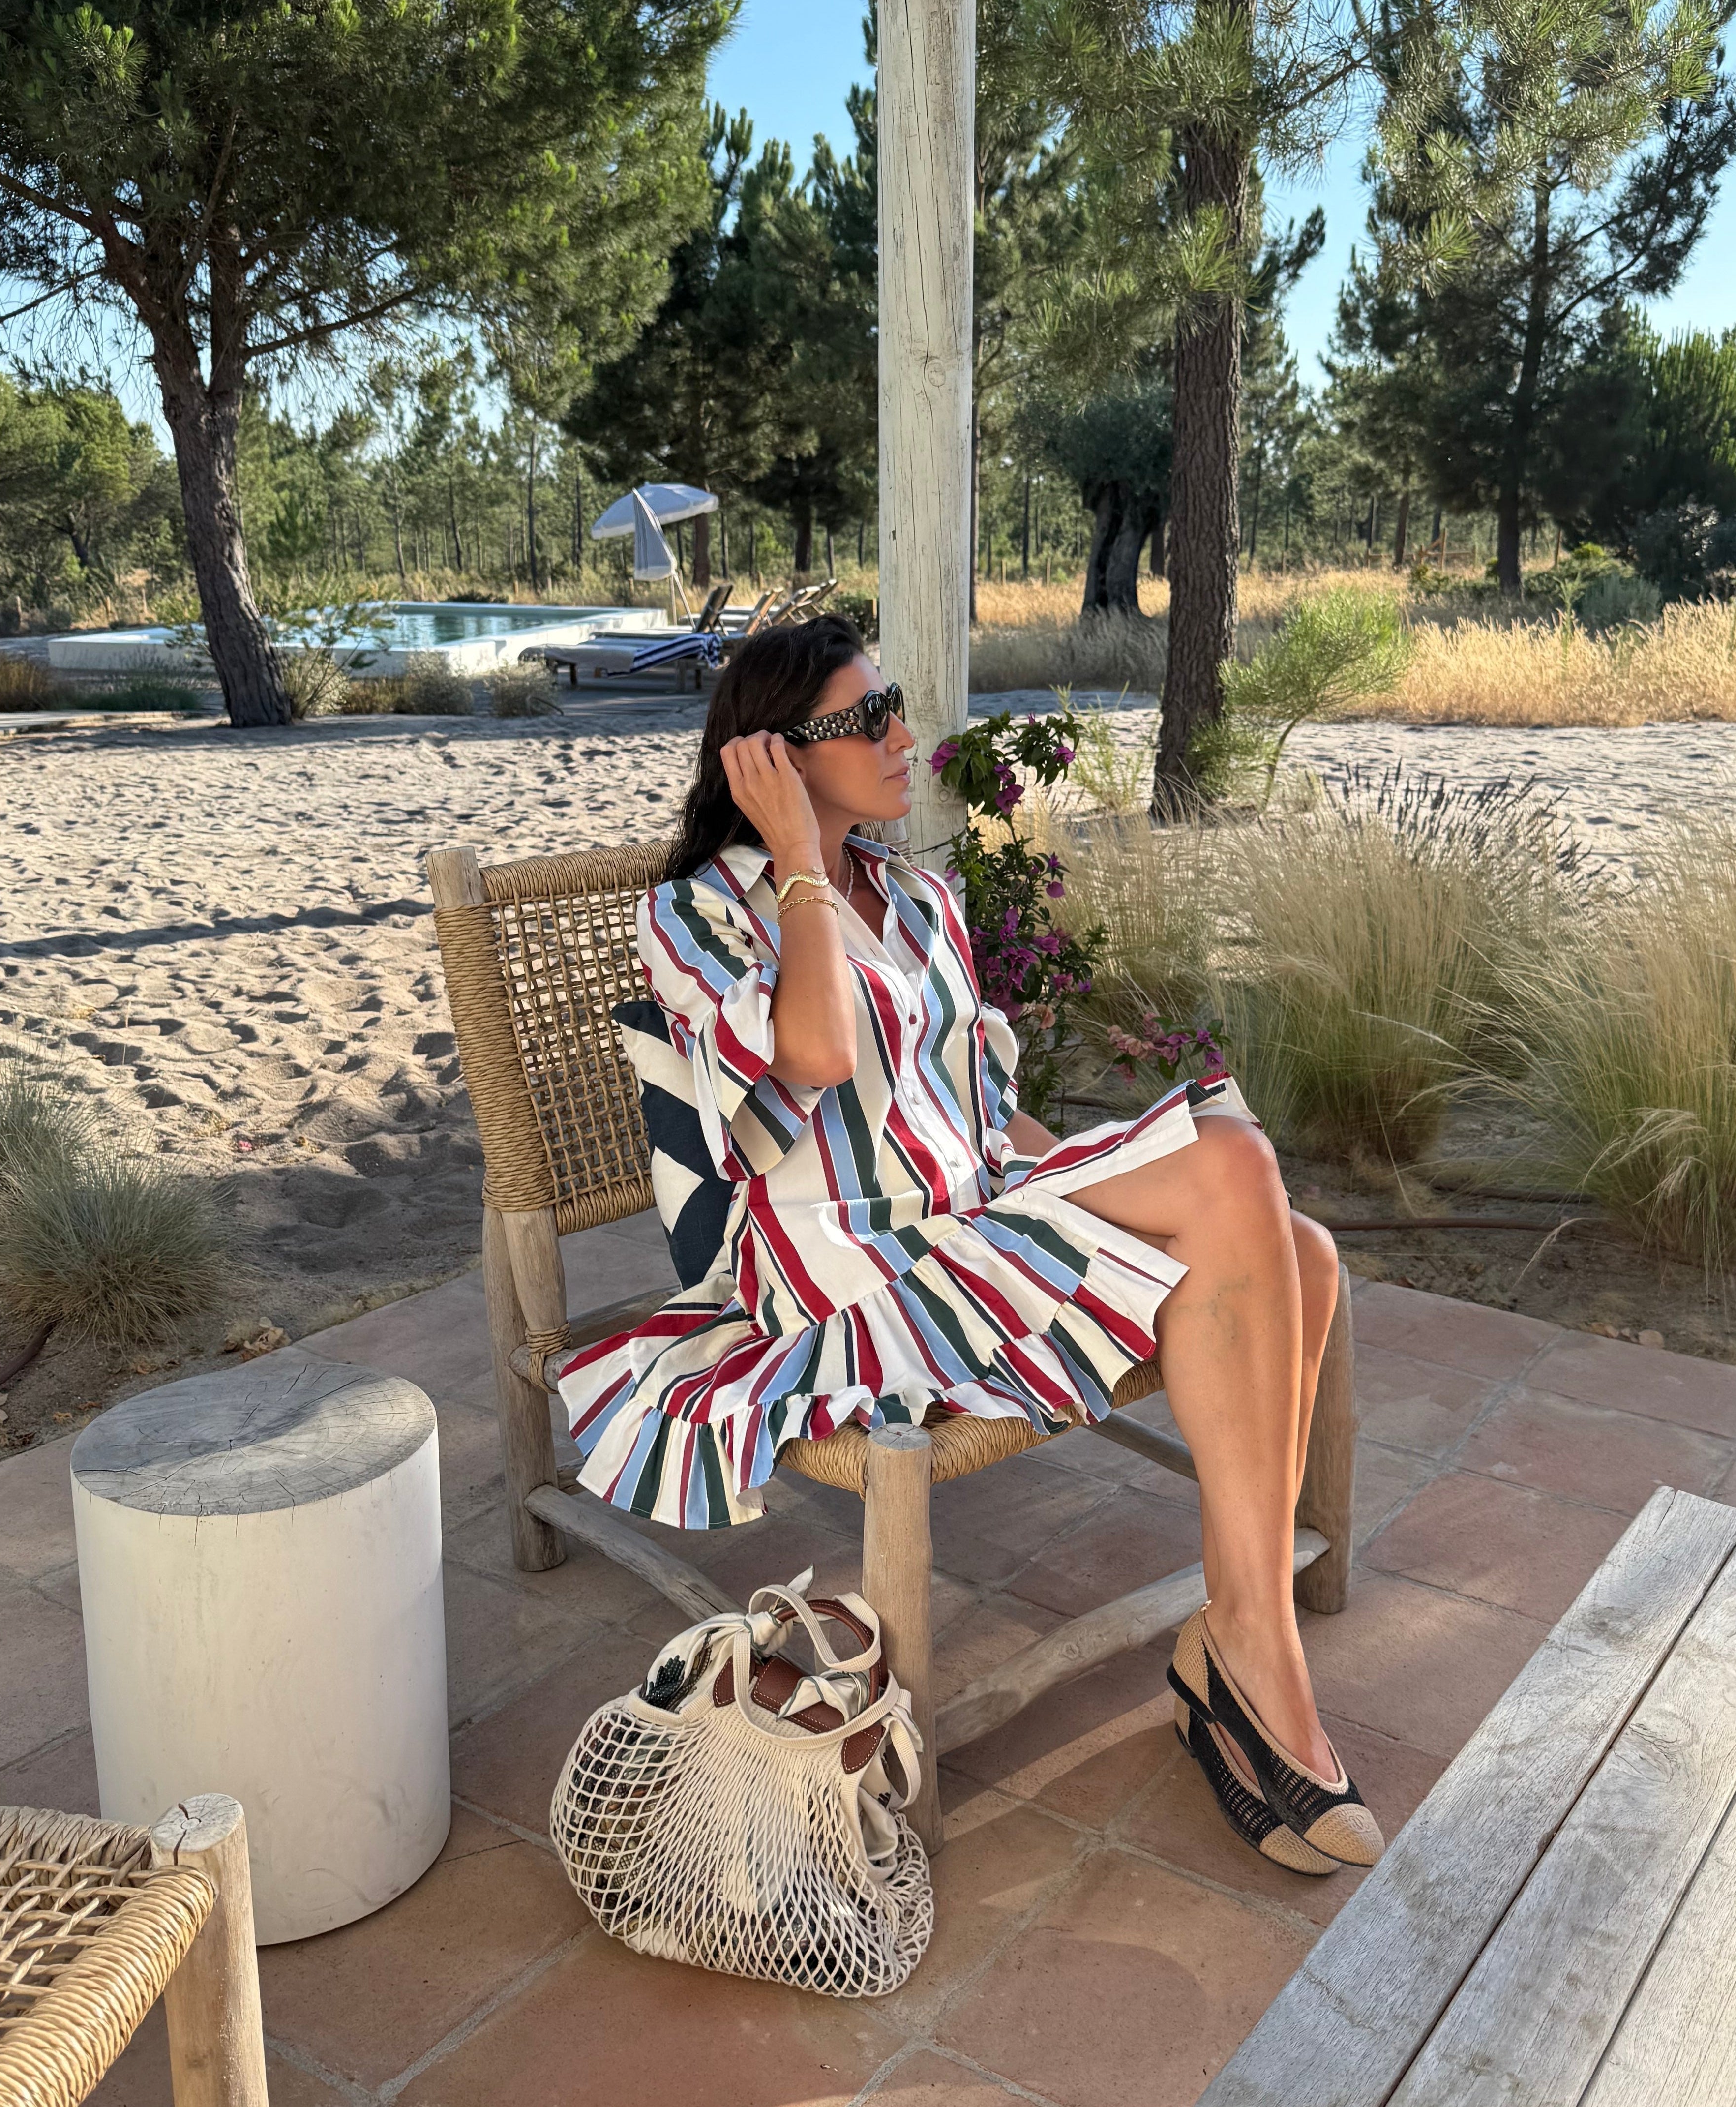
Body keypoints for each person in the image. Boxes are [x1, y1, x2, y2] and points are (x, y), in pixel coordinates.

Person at [558, 617, 1379, 1874]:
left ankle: (1236, 1632)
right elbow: (821, 1053)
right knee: (1236, 1168)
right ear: (772, 756)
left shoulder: (924, 895)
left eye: (896, 705)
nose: (903, 736)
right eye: (864, 721)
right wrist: (796, 860)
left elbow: (977, 1108)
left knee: (1297, 1246)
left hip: (971, 1220)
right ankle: (1255, 1662)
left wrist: (1095, 1178)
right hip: (850, 1274)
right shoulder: (696, 917)